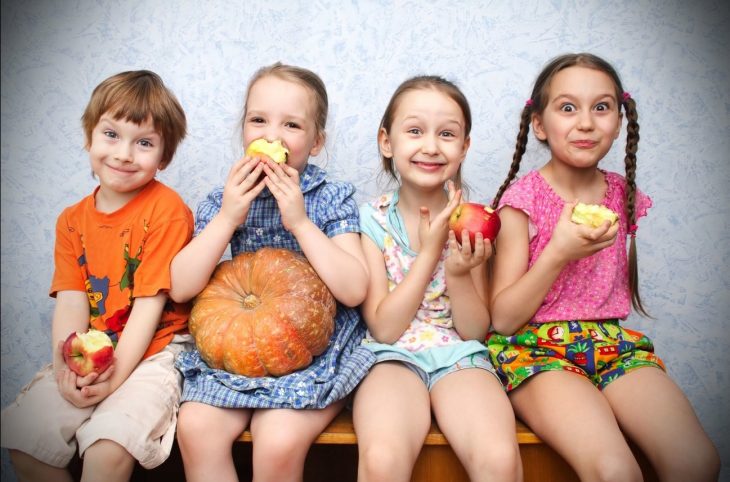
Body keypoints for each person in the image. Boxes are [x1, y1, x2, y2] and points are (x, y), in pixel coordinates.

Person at [487, 52, 721, 482]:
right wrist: (557, 252)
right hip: (536, 352)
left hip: (611, 343)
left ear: (619, 119)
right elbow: (502, 318)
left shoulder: (621, 193)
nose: (586, 122)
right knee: (615, 470)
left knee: (697, 462)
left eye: (601, 106)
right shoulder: (521, 202)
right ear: (539, 124)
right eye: (568, 107)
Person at [169, 62, 375, 482]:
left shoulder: (329, 196)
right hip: (240, 349)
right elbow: (181, 286)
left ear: (316, 142)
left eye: (292, 124)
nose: (271, 136)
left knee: (277, 440)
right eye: (258, 120)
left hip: (313, 349)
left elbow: (354, 290)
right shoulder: (227, 197)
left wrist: (299, 221)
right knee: (195, 428)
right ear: (243, 129)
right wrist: (228, 216)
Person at [1, 70, 194, 482]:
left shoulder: (167, 210)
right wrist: (65, 371)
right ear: (89, 138)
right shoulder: (71, 221)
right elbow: (72, 301)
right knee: (24, 439)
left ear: (163, 157)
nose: (124, 153)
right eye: (111, 134)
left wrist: (113, 380)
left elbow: (149, 306)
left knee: (108, 448)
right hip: (92, 349)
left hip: (155, 351)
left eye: (143, 143)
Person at [353, 75, 523, 482]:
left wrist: (459, 273)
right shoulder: (372, 219)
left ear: (464, 148)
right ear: (386, 141)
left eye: (447, 134)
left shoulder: (476, 221)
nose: (430, 146)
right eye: (414, 131)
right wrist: (430, 253)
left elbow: (475, 330)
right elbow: (385, 328)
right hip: (390, 358)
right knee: (382, 459)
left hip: (459, 355)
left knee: (499, 459)